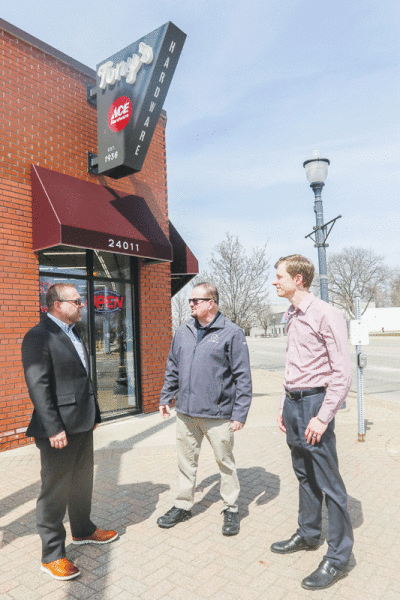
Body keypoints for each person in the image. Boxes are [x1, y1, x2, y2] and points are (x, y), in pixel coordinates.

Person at [21, 283, 117, 581]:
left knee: (81, 480)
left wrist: (95, 414)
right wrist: (53, 427)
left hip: (82, 423)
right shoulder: (38, 336)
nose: (82, 305)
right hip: (58, 429)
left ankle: (83, 530)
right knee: (55, 491)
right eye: (76, 301)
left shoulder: (74, 333)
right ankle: (52, 555)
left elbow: (83, 380)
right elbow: (38, 385)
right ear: (57, 304)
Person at [271, 255, 353, 591]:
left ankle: (338, 558)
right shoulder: (291, 314)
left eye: (279, 277)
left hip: (315, 406)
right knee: (304, 475)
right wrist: (283, 405)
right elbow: (295, 363)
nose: (275, 282)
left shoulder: (326, 313)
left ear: (298, 279)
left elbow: (343, 373)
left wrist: (322, 416)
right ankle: (308, 534)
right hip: (294, 405)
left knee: (329, 483)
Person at [157, 282, 252, 535]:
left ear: (211, 303)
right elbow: (173, 367)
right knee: (186, 462)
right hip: (186, 413)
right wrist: (166, 396)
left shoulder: (231, 333)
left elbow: (243, 377)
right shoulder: (183, 331)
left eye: (196, 301)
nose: (191, 304)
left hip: (218, 415)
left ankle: (231, 507)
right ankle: (183, 505)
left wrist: (240, 413)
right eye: (190, 301)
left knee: (225, 462)